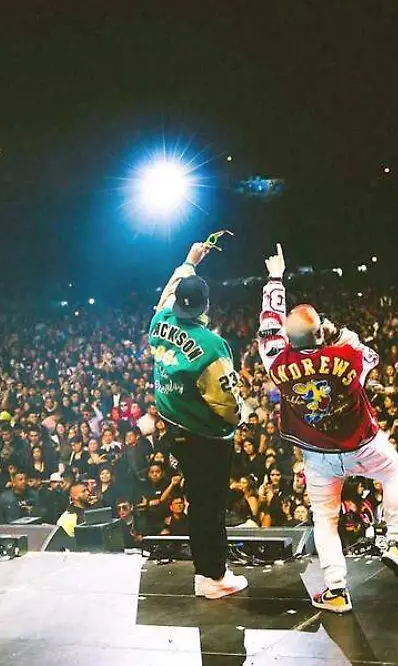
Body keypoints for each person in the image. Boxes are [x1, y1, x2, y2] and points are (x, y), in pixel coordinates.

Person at [257, 243, 398, 615]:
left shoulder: (274, 361)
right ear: (320, 335)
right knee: (394, 473)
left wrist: (275, 279)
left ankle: (336, 590)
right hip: (363, 444)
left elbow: (268, 323)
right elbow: (371, 356)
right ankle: (396, 540)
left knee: (324, 521)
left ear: (287, 338)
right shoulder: (347, 355)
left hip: (318, 456)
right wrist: (337, 334)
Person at [148, 240, 248, 600]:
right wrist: (241, 418)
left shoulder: (159, 321)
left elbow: (168, 290)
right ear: (207, 306)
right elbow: (226, 404)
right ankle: (212, 575)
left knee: (197, 498)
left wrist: (189, 261)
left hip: (173, 426)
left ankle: (209, 569)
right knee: (209, 504)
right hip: (206, 436)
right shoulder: (212, 346)